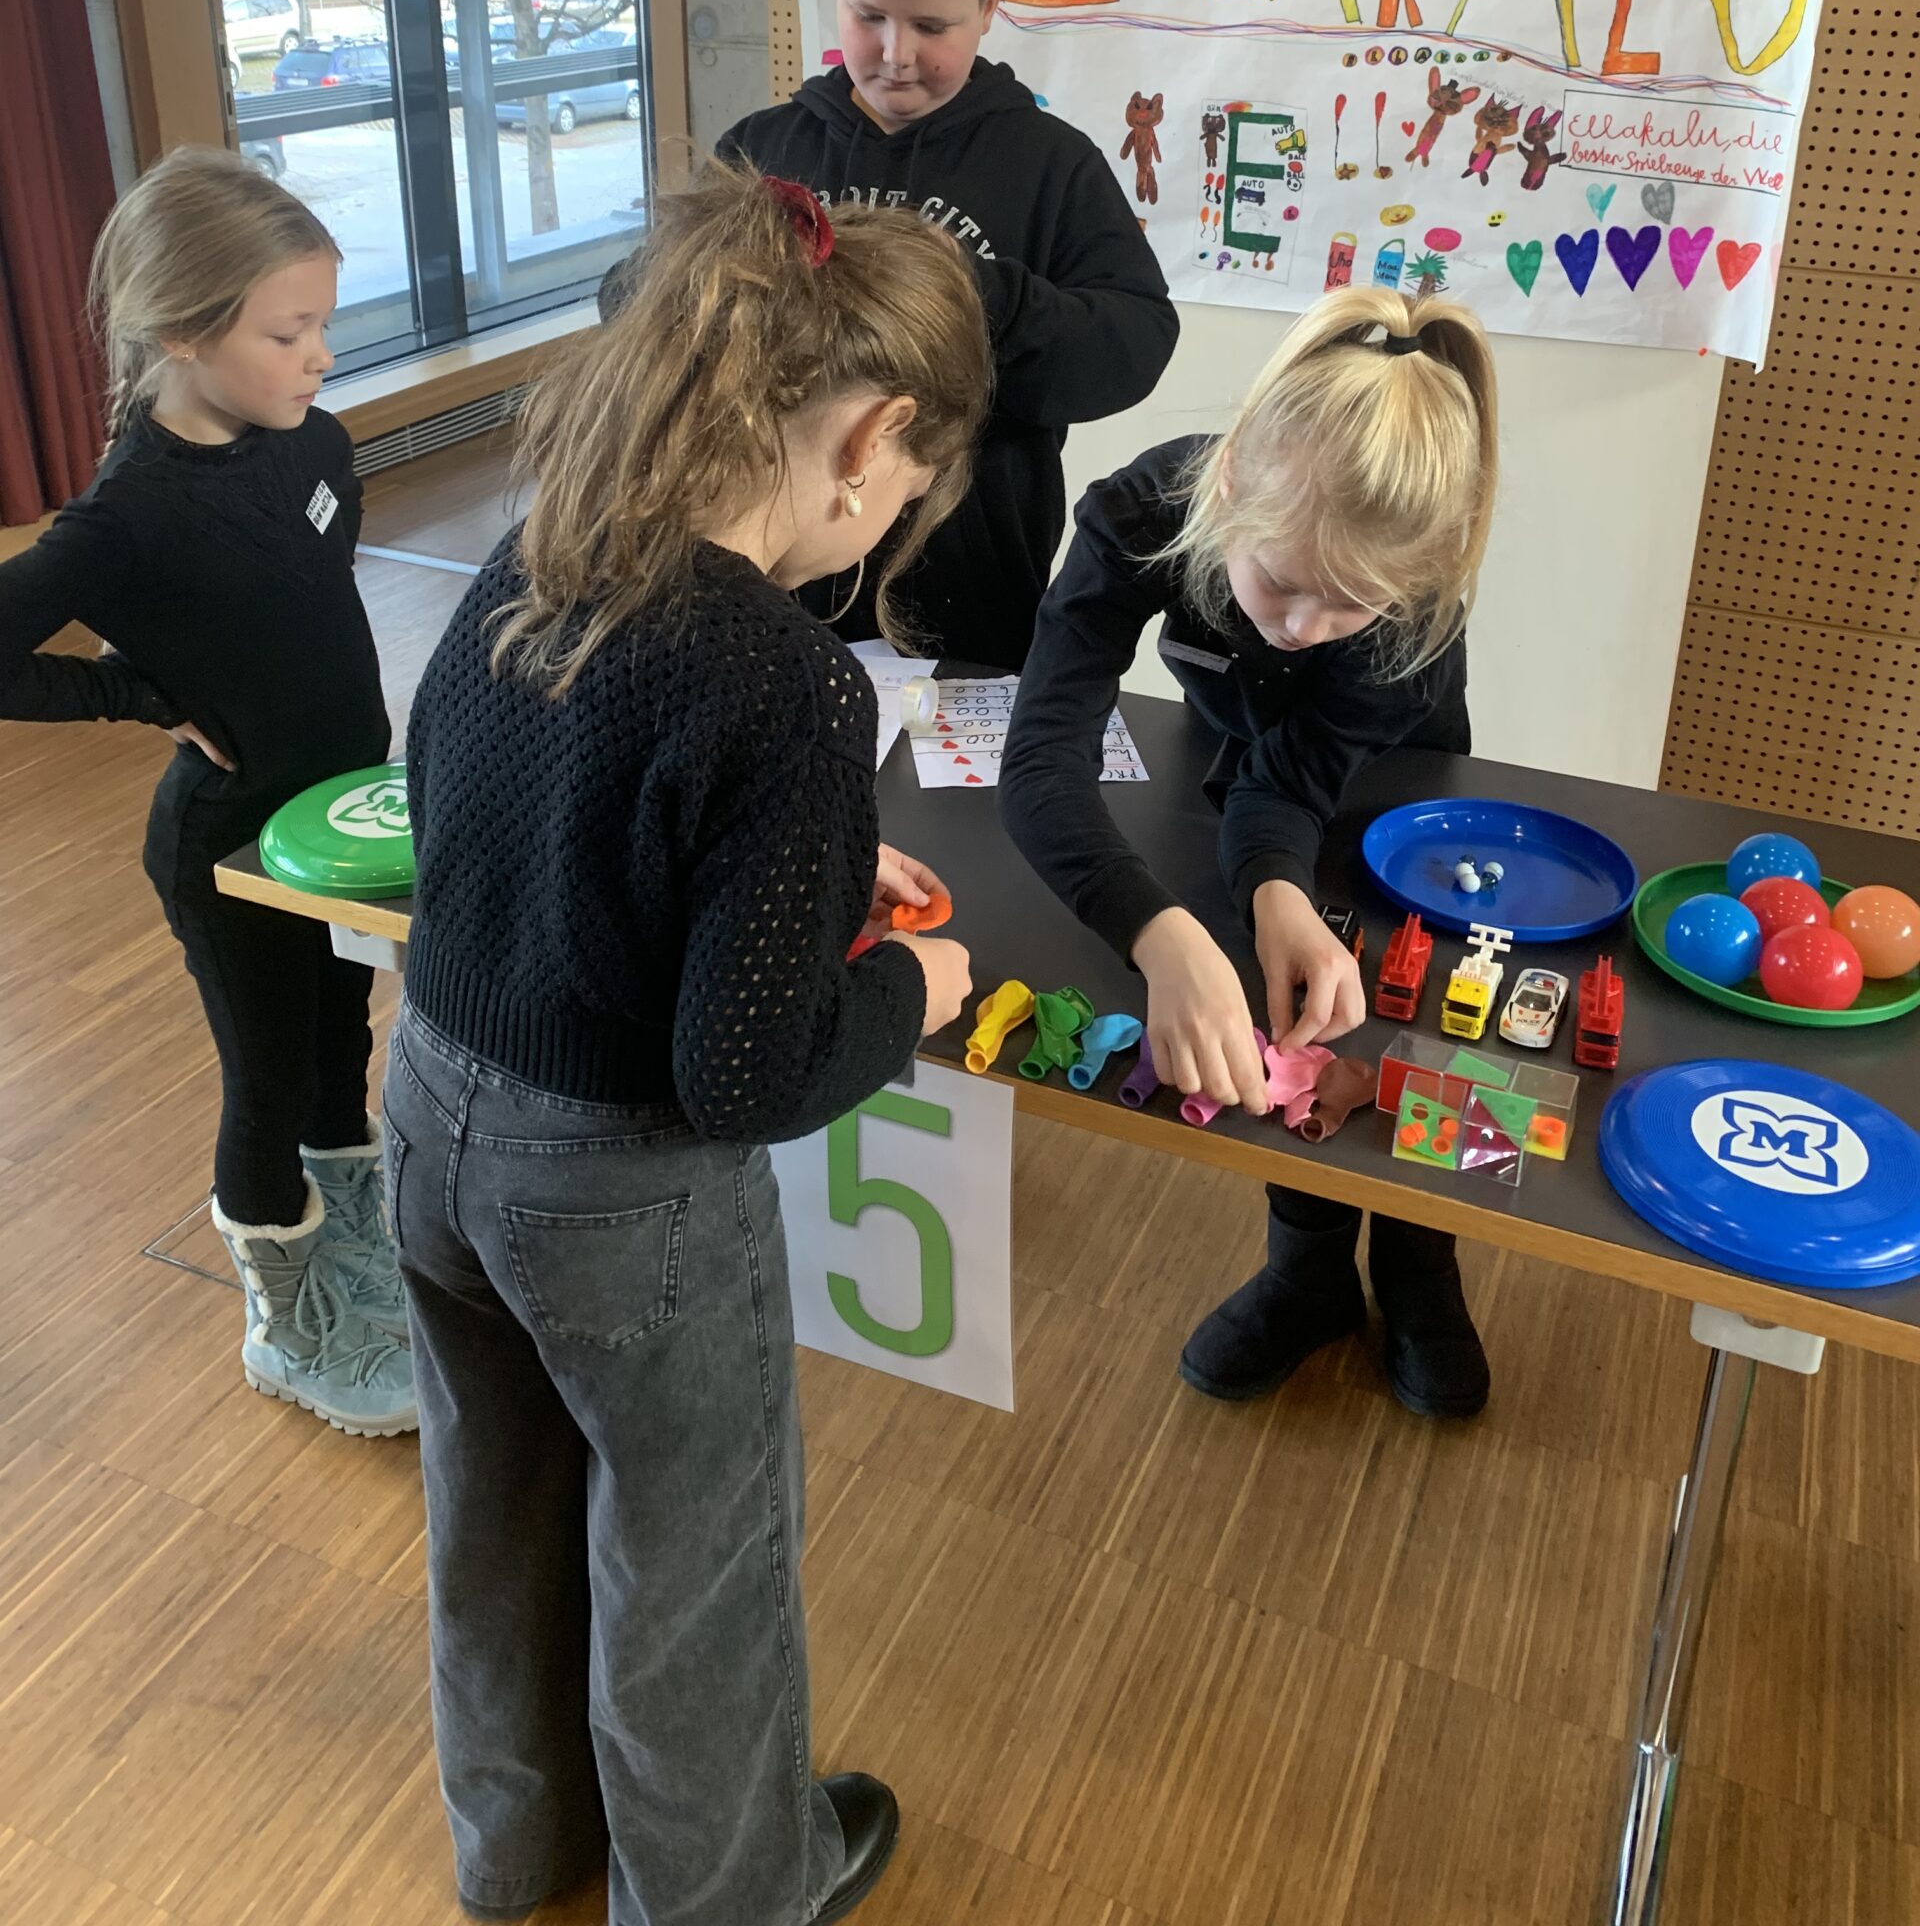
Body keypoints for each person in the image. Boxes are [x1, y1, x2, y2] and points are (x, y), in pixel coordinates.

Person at [391, 164, 987, 1926]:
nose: (885, 531)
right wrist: (911, 992)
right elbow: (747, 1075)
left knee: (493, 1504)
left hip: (432, 1110)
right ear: (871, 439)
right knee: (694, 1567)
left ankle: (516, 1847)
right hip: (619, 1200)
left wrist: (790, 876)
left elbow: (500, 818)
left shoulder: (536, 554)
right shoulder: (788, 680)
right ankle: (730, 1896)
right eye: (908, 498)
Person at [999, 287, 1500, 1419]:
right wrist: (1162, 930)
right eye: (1280, 583)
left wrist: (1279, 885)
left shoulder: (1412, 616)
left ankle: (1420, 1261)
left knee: (1407, 1008)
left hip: (1396, 794)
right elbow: (1040, 765)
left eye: (1350, 606)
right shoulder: (1140, 513)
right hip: (1243, 776)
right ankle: (1309, 1269)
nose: (1303, 626)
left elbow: (1298, 782)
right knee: (1288, 1019)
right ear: (1227, 485)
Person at [0, 147, 414, 1434]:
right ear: (181, 332)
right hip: (231, 849)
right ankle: (288, 1323)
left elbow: (309, 603)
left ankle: (354, 1246)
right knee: (268, 1078)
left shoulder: (318, 444)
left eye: (323, 325)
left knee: (343, 1030)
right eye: (289, 334)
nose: (321, 357)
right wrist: (135, 692)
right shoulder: (126, 515)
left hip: (339, 820)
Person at [600, 0, 1179, 669]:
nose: (895, 54)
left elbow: (1135, 343)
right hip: (762, 589)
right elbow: (638, 305)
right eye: (868, 16)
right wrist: (737, 279)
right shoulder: (764, 147)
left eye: (931, 26)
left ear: (990, 4)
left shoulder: (1051, 164)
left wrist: (968, 297)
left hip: (972, 596)